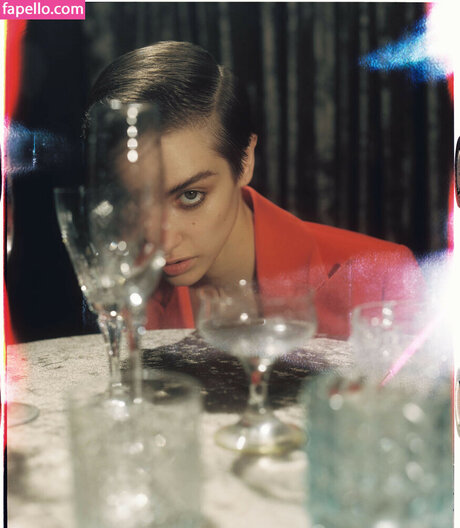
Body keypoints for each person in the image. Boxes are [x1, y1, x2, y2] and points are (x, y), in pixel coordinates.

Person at [86, 41, 424, 339]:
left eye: (190, 196)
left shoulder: (383, 277)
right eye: (136, 200)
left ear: (245, 160)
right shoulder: (119, 290)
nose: (162, 239)